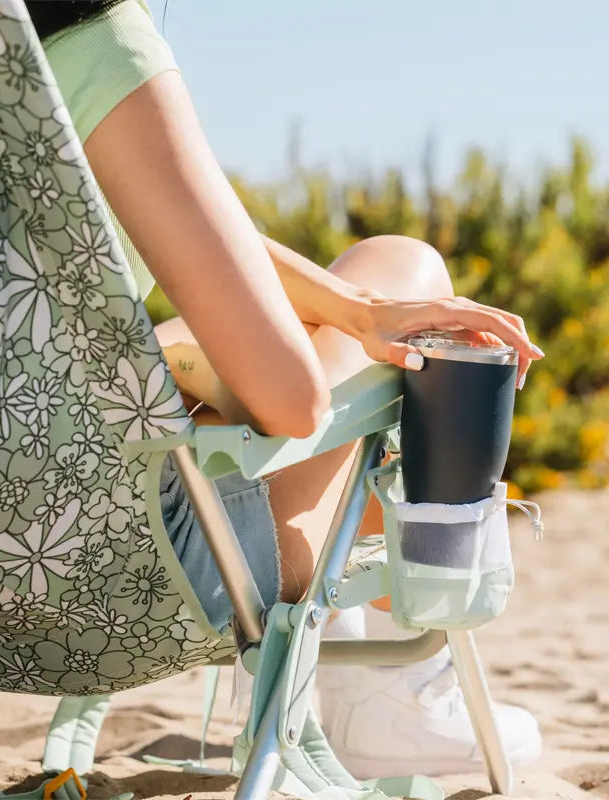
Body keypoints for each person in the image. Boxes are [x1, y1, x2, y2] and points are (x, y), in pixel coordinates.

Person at [29, 0, 543, 777]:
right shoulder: (88, 45)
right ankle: (392, 695)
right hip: (122, 586)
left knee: (333, 315)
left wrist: (352, 313)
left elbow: (164, 211)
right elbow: (290, 405)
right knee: (398, 267)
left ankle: (381, 694)